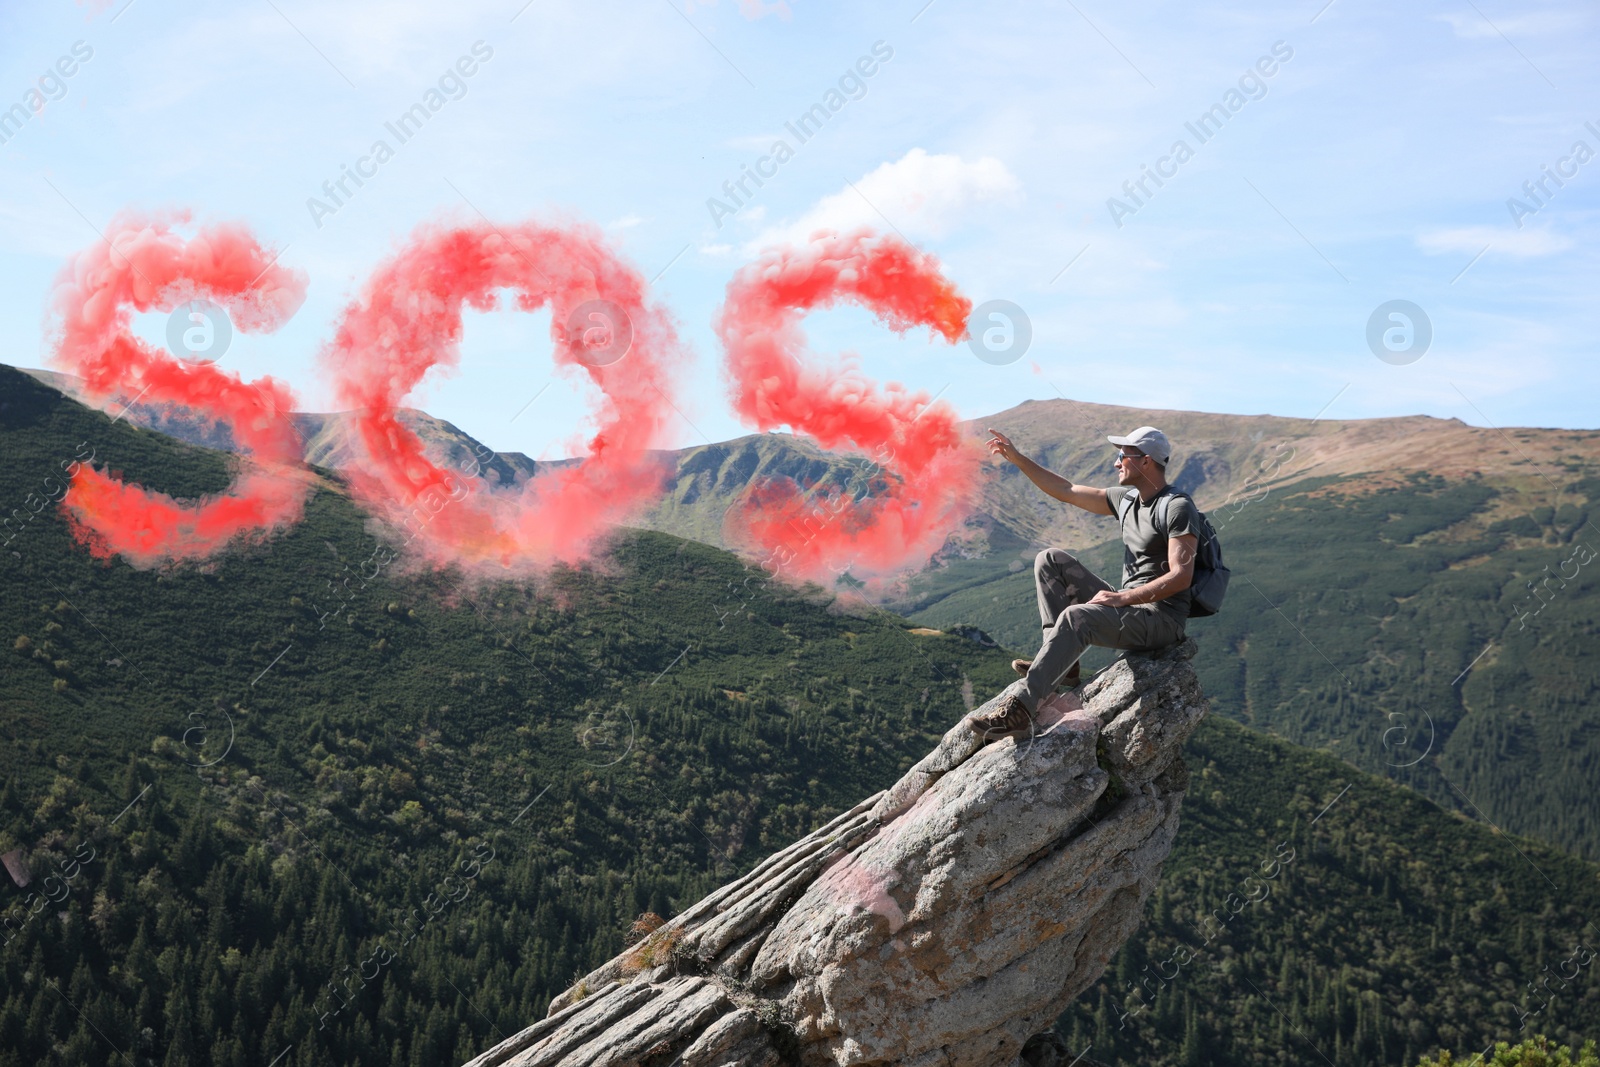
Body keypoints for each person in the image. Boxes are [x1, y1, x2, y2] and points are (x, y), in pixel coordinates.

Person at [965, 424, 1199, 741]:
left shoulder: (1177, 507)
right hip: (1134, 609)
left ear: (1145, 461)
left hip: (1161, 621)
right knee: (1050, 560)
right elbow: (1067, 490)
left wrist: (1124, 598)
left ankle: (1022, 710)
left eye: (1123, 456)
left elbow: (1181, 575)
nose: (1117, 462)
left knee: (1077, 617)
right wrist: (1018, 459)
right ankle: (1063, 664)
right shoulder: (1127, 501)